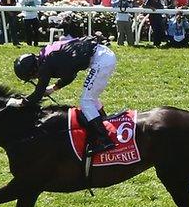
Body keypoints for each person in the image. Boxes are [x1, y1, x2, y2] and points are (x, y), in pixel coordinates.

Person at [14, 33, 117, 177]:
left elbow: (38, 94)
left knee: (86, 101)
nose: (34, 78)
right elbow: (70, 74)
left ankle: (104, 140)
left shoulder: (45, 65)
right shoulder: (45, 56)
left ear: (32, 70)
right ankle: (104, 122)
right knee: (90, 98)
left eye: (32, 77)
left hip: (101, 60)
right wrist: (54, 88)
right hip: (102, 55)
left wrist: (22, 102)